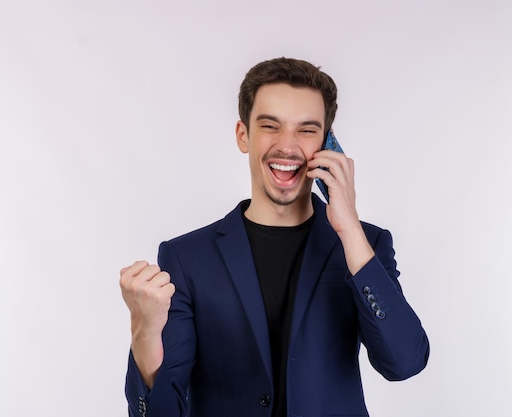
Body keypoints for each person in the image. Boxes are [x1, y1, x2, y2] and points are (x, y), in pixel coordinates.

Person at [119, 57, 430, 417]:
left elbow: (405, 362)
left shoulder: (365, 246)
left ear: (328, 142)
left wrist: (348, 227)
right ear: (243, 135)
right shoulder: (187, 258)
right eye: (270, 126)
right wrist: (144, 329)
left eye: (307, 130)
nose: (287, 145)